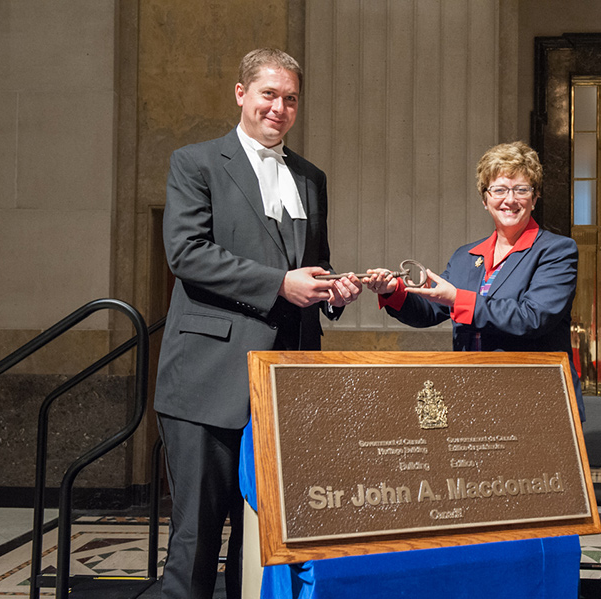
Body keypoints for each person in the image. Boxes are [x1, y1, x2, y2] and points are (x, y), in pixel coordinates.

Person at [154, 48, 362, 599]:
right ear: (242, 94)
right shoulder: (195, 162)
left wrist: (333, 290)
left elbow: (310, 262)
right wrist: (279, 283)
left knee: (267, 546)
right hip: (209, 379)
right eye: (269, 94)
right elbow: (186, 254)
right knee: (195, 545)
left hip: (287, 388)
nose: (280, 107)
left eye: (290, 98)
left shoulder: (311, 177)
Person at [366, 141, 583, 418]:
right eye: (499, 190)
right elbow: (431, 311)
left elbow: (533, 317)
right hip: (471, 396)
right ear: (485, 199)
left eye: (521, 189)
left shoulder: (556, 251)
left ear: (535, 197)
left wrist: (459, 299)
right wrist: (393, 290)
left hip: (535, 401)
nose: (510, 199)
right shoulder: (466, 256)